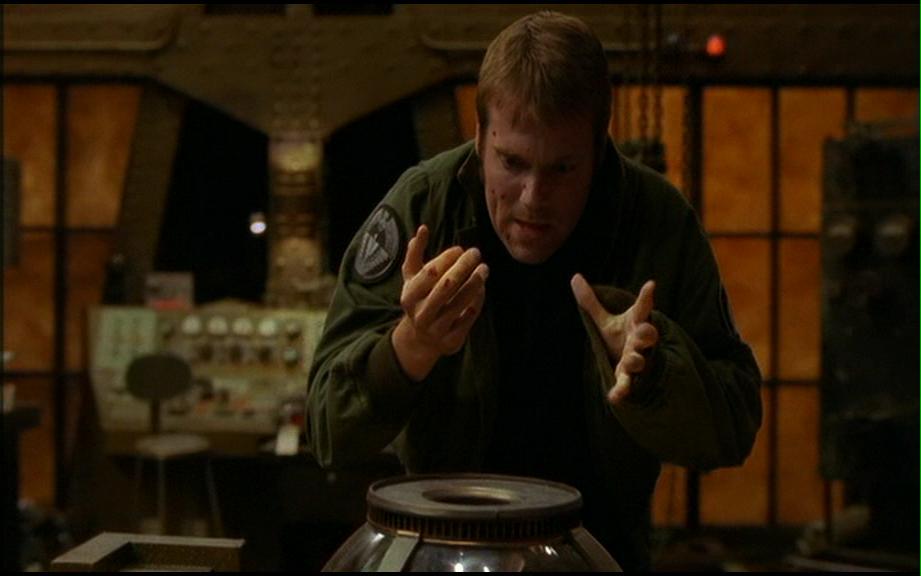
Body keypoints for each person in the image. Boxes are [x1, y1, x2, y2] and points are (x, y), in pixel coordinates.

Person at [306, 11, 762, 571]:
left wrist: (656, 374)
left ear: (598, 151)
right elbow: (329, 431)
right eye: (512, 163)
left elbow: (734, 428)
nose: (532, 198)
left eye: (562, 169)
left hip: (599, 553)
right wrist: (410, 347)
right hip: (443, 552)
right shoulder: (426, 207)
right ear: (479, 139)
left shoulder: (655, 221)